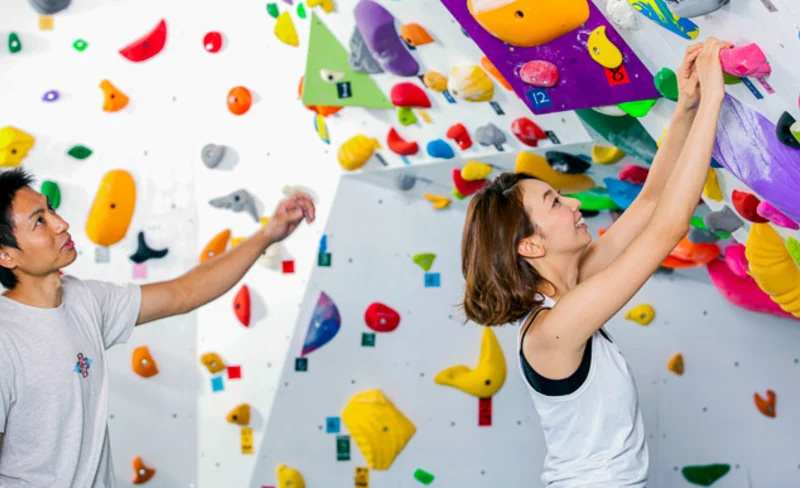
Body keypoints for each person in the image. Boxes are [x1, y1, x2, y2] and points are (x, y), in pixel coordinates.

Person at [460, 37, 732, 487]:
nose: (572, 203)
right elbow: (669, 227)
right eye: (553, 202)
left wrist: (687, 107)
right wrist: (715, 102)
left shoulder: (575, 286)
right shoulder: (553, 328)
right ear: (530, 245)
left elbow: (649, 203)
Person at [0, 169, 315, 487]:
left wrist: (268, 234)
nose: (61, 223)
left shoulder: (85, 300)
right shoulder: (5, 339)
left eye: (51, 209)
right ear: (5, 254)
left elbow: (184, 293)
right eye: (39, 220)